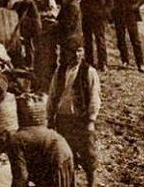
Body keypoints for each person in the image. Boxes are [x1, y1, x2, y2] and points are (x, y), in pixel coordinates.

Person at [47, 46, 101, 187]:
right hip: (63, 119)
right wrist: (50, 117)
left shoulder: (89, 71)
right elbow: (52, 95)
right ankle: (72, 183)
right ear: (67, 53)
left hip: (81, 120)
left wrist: (91, 119)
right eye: (74, 51)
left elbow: (95, 96)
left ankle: (91, 183)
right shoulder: (60, 71)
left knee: (88, 153)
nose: (77, 55)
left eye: (80, 51)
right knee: (67, 154)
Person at [8, 92, 75, 187]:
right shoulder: (28, 133)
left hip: (56, 159)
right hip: (65, 153)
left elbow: (20, 177)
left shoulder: (15, 140)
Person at [9, 0, 60, 90]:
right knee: (28, 44)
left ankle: (40, 66)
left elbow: (54, 10)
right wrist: (23, 5)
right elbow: (12, 3)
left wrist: (47, 14)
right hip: (29, 23)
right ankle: (29, 65)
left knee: (41, 45)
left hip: (43, 24)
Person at [74, 0, 112, 72]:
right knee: (87, 39)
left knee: (100, 39)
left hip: (99, 16)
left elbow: (109, 1)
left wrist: (105, 14)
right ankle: (89, 62)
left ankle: (103, 63)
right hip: (86, 15)